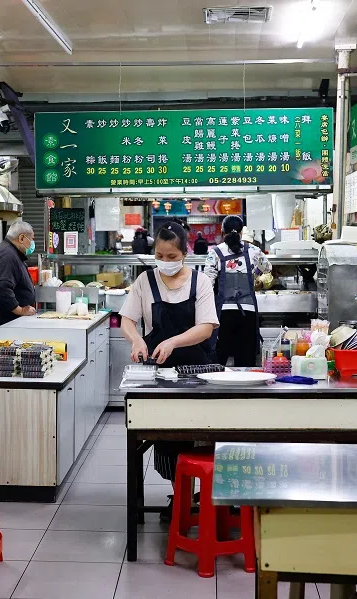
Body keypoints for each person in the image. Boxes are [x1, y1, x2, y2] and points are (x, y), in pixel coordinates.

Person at [120, 223, 218, 516]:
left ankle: (198, 495)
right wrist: (136, 338)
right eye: (160, 255)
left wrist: (173, 341)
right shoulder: (144, 282)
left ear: (185, 253)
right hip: (160, 374)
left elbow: (205, 327)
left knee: (199, 433)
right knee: (165, 438)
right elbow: (127, 319)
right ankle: (181, 495)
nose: (165, 261)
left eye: (172, 256)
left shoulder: (199, 282)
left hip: (197, 371)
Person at [204, 215, 272, 367]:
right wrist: (255, 272)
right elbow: (268, 268)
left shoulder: (215, 253)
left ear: (223, 233)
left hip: (223, 314)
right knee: (245, 361)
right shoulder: (253, 250)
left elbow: (207, 283)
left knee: (218, 361)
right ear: (241, 233)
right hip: (247, 313)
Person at [0, 221, 37, 346]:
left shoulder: (11, 253)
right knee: (4, 364)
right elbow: (1, 288)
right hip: (0, 328)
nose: (32, 244)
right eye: (31, 239)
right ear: (21, 238)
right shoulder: (7, 255)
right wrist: (20, 310)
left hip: (6, 326)